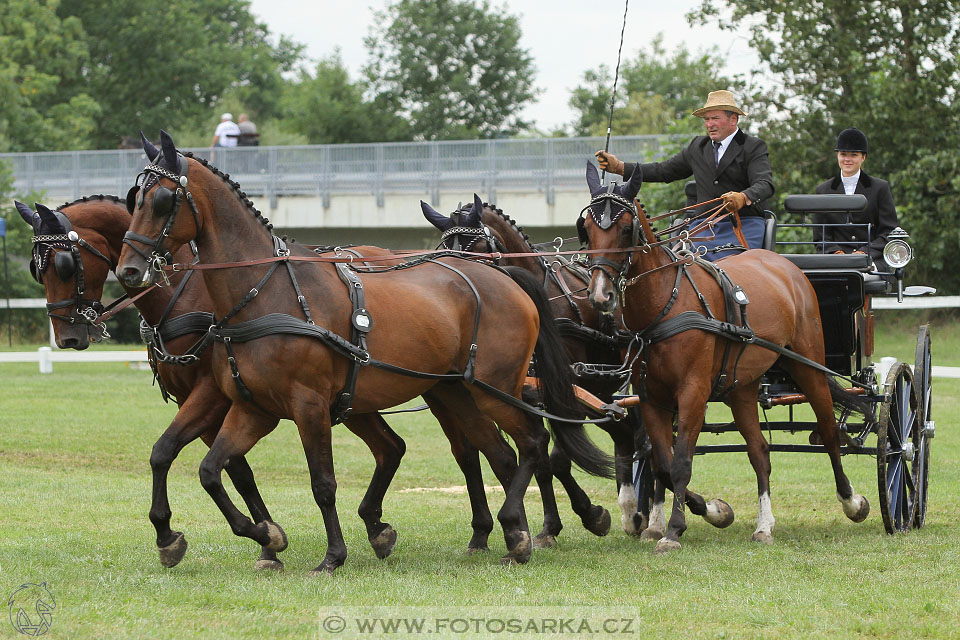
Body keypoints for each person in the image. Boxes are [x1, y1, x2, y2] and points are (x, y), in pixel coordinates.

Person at [596, 90, 774, 261]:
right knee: (677, 264)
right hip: (704, 227)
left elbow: (765, 184)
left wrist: (743, 197)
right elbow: (663, 170)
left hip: (744, 224)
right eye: (706, 119)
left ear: (733, 119)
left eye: (715, 118)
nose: (709, 124)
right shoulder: (697, 146)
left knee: (733, 265)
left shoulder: (753, 146)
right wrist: (620, 167)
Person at [813, 128, 900, 272]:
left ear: (863, 157)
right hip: (835, 260)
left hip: (871, 258)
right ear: (837, 156)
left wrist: (865, 252)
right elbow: (821, 235)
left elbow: (888, 231)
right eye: (843, 154)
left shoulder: (880, 187)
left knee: (864, 276)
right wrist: (836, 253)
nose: (847, 159)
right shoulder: (823, 190)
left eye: (853, 155)